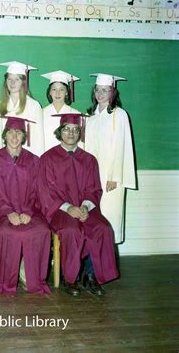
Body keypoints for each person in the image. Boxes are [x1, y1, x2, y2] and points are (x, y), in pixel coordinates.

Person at [38, 114, 119, 297]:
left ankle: (91, 276)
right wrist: (69, 208)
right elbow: (45, 192)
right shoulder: (48, 158)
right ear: (60, 132)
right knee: (71, 230)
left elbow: (94, 189)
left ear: (80, 133)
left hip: (85, 208)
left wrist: (85, 207)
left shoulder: (89, 159)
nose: (71, 133)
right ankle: (71, 279)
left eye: (75, 129)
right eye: (66, 129)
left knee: (102, 228)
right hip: (59, 210)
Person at [0, 116, 51, 295]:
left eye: (19, 132)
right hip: (2, 214)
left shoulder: (34, 161)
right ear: (4, 135)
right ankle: (5, 281)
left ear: (24, 136)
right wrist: (8, 213)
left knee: (41, 231)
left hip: (30, 212)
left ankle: (29, 277)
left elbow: (39, 192)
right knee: (7, 233)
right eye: (10, 132)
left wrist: (29, 212)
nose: (14, 136)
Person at [85, 73, 136, 244]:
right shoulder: (91, 118)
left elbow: (122, 146)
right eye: (97, 90)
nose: (100, 94)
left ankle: (106, 267)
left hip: (110, 177)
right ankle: (93, 267)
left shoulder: (119, 115)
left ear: (112, 92)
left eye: (105, 90)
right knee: (92, 219)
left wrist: (115, 177)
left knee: (109, 219)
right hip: (92, 176)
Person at [0, 61, 44, 157]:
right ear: (5, 81)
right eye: (9, 79)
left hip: (27, 158)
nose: (12, 83)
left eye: (17, 79)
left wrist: (37, 162)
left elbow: (39, 139)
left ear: (23, 82)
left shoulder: (34, 106)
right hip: (5, 158)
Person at [41, 70, 81, 151]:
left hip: (68, 159)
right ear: (50, 92)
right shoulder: (41, 113)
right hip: (46, 158)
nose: (57, 93)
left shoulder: (75, 114)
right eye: (54, 89)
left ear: (66, 92)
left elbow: (79, 142)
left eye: (62, 89)